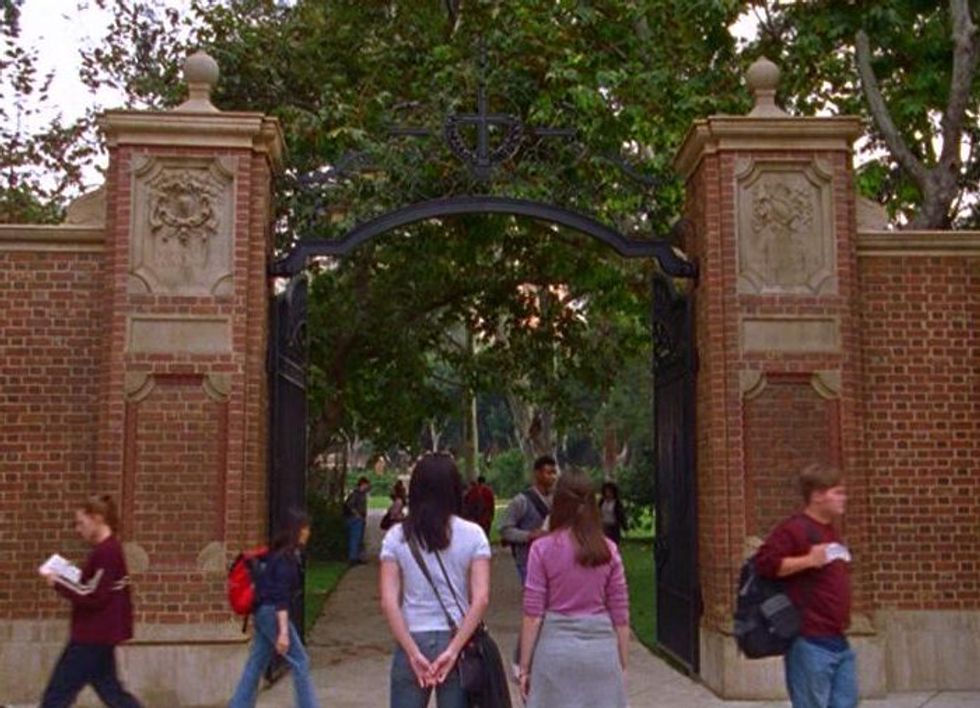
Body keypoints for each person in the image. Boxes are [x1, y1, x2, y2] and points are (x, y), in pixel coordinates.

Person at [379, 453, 491, 708]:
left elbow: (388, 601)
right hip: (457, 638)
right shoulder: (473, 535)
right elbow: (481, 598)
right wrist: (453, 651)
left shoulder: (397, 537)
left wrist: (411, 652)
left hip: (412, 634)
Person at [518, 473, 630, 708]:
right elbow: (620, 617)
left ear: (558, 503)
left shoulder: (542, 549)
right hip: (600, 653)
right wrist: (622, 664)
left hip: (555, 652)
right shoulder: (608, 551)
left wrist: (524, 666)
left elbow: (533, 616)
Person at [755, 463, 855, 708]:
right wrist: (808, 560)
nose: (844, 498)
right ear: (818, 495)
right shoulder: (795, 529)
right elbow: (765, 564)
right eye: (837, 492)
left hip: (838, 638)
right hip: (810, 640)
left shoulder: (830, 531)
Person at [38, 495, 142, 708]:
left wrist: (58, 581)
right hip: (101, 634)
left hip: (91, 635)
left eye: (81, 523)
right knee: (112, 693)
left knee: (57, 694)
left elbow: (94, 595)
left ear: (97, 519)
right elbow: (95, 587)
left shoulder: (107, 552)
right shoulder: (109, 550)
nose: (78, 529)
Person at [230, 510, 319, 708]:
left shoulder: (276, 555)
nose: (308, 532)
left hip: (262, 612)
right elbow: (280, 598)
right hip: (272, 613)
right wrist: (284, 632)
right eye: (305, 528)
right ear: (296, 530)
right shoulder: (285, 559)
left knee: (256, 662)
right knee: (300, 661)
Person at [499, 455, 558, 584]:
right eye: (548, 473)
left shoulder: (558, 500)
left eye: (554, 473)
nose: (553, 477)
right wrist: (529, 535)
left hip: (552, 559)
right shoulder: (521, 501)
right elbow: (504, 529)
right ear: (537, 474)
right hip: (527, 560)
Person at [344, 476, 371, 565]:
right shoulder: (356, 494)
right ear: (363, 484)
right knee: (355, 538)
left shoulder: (362, 494)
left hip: (360, 519)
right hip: (355, 519)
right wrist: (357, 514)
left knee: (359, 539)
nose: (368, 487)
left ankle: (357, 556)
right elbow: (349, 505)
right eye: (367, 485)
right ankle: (352, 558)